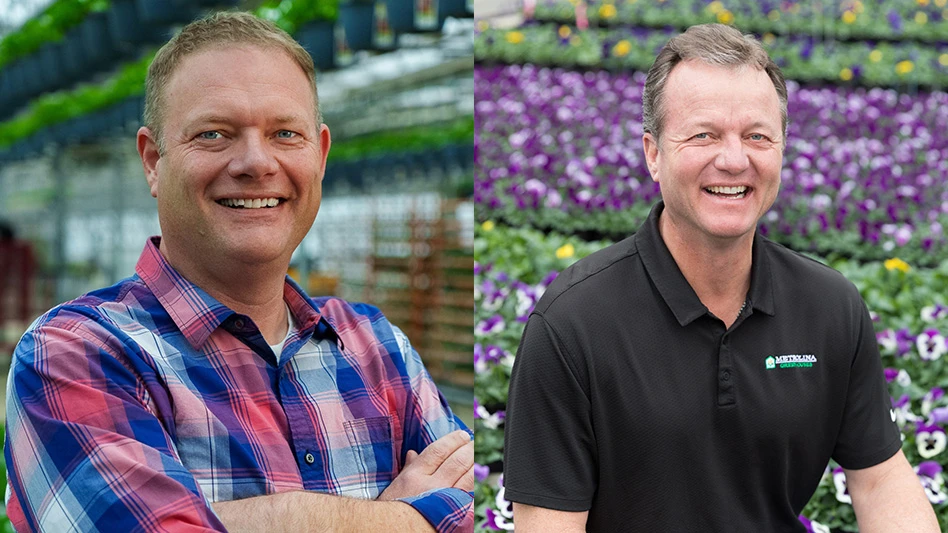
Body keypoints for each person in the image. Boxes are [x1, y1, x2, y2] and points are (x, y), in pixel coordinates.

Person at [4, 12, 473, 533]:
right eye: (214, 134)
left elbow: (481, 507)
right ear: (154, 160)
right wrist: (400, 518)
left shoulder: (375, 346)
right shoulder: (77, 351)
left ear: (319, 155)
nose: (255, 162)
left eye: (284, 133)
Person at [502, 23, 939, 532]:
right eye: (703, 135)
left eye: (756, 136)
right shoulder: (572, 324)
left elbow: (881, 481)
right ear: (653, 154)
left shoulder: (829, 305)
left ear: (781, 149)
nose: (734, 160)